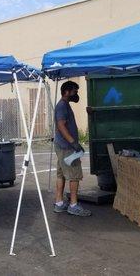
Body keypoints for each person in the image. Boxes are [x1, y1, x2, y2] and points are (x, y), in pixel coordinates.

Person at [53, 81, 92, 217]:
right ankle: (73, 205)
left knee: (61, 174)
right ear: (67, 92)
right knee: (74, 175)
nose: (76, 94)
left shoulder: (64, 105)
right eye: (75, 91)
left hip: (61, 146)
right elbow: (61, 126)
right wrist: (73, 143)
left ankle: (59, 203)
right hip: (67, 148)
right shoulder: (62, 106)